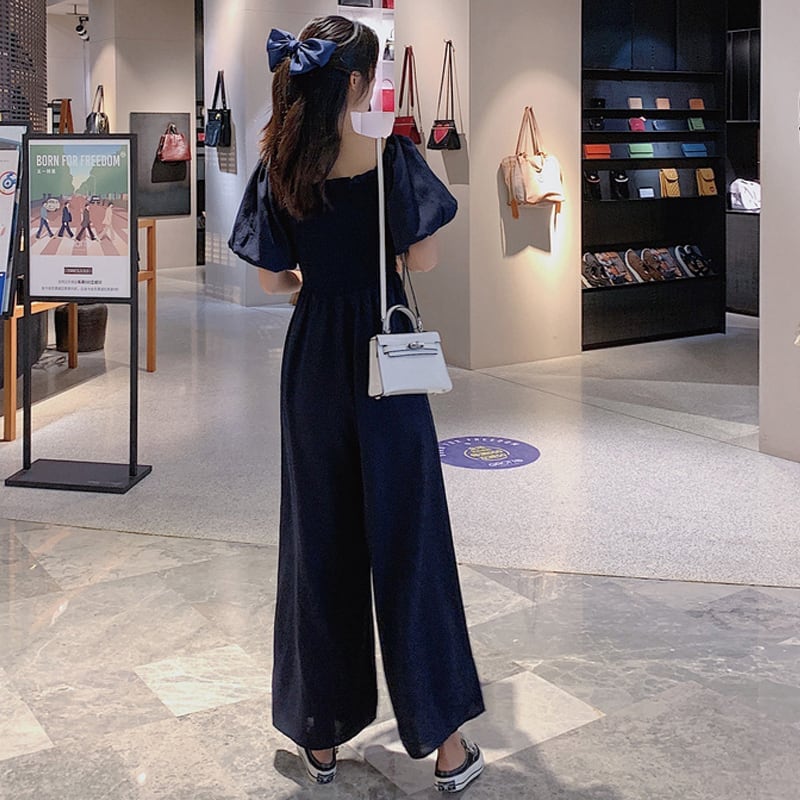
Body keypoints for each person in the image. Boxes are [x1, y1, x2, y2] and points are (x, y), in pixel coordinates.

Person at [229, 16, 485, 794]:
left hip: (312, 360)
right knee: (411, 543)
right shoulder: (391, 157)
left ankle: (321, 735)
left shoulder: (280, 164)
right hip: (385, 357)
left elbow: (271, 279)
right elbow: (423, 257)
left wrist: (313, 280)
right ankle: (447, 746)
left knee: (318, 541)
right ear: (355, 83)